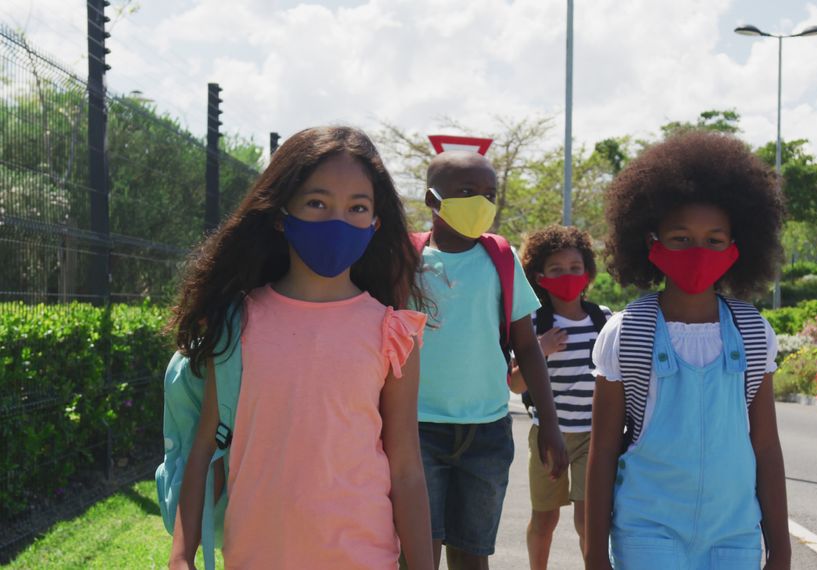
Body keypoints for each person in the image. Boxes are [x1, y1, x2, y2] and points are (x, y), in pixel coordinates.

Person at [167, 126, 434, 570]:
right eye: (317, 202)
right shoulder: (237, 322)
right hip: (255, 557)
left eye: (357, 208)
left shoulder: (393, 331)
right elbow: (204, 450)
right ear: (279, 213)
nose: (338, 220)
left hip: (363, 558)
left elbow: (406, 467)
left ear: (375, 224)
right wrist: (181, 554)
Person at [584, 131, 791, 569]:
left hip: (734, 536)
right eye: (680, 238)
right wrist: (594, 554)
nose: (698, 251)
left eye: (714, 240)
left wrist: (782, 549)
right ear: (650, 240)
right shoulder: (627, 332)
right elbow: (602, 451)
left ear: (737, 247)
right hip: (647, 532)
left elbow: (767, 446)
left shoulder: (753, 332)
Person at [414, 151, 569, 569]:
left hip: (486, 433)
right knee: (417, 554)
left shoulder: (501, 259)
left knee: (472, 554)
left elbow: (528, 346)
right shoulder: (405, 262)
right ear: (433, 199)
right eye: (467, 192)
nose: (482, 202)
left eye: (489, 193)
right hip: (417, 431)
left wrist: (551, 425)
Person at [508, 225, 612, 569]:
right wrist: (540, 349)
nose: (567, 275)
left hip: (594, 437)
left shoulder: (605, 321)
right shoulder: (533, 324)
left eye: (574, 268)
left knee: (588, 520)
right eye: (556, 269)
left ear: (588, 273)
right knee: (545, 519)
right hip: (548, 436)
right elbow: (516, 385)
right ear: (539, 276)